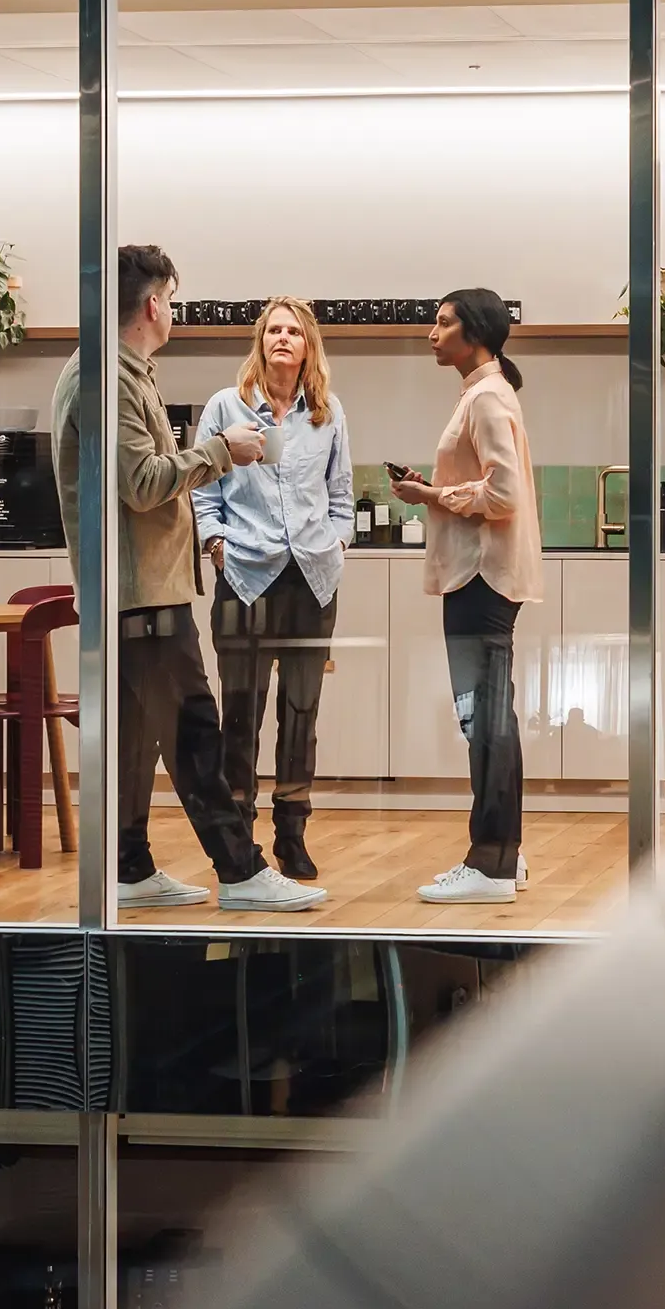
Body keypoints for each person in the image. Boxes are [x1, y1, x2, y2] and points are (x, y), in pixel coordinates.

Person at [50, 245, 325, 912]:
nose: (172, 310)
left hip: (139, 590)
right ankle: (241, 871)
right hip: (141, 593)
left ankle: (129, 867)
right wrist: (222, 452)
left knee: (137, 740)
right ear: (152, 305)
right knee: (197, 732)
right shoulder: (106, 379)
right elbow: (143, 484)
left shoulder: (118, 372)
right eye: (170, 299)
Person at [190, 297, 354, 883]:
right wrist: (216, 544)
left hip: (312, 578)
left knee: (301, 713)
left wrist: (337, 544)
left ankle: (292, 833)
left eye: (293, 331)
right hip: (245, 576)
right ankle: (240, 840)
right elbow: (202, 489)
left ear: (308, 346)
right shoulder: (225, 406)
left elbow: (341, 495)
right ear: (260, 341)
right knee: (241, 712)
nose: (282, 338)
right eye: (273, 330)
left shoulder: (328, 412)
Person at [390, 288, 542, 904]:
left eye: (443, 323)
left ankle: (491, 864)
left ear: (474, 333)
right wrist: (436, 488)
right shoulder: (483, 393)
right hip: (481, 575)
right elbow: (486, 483)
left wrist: (430, 496)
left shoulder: (486, 397)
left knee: (485, 721)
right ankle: (505, 855)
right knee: (490, 718)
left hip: (482, 577)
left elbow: (502, 495)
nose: (432, 332)